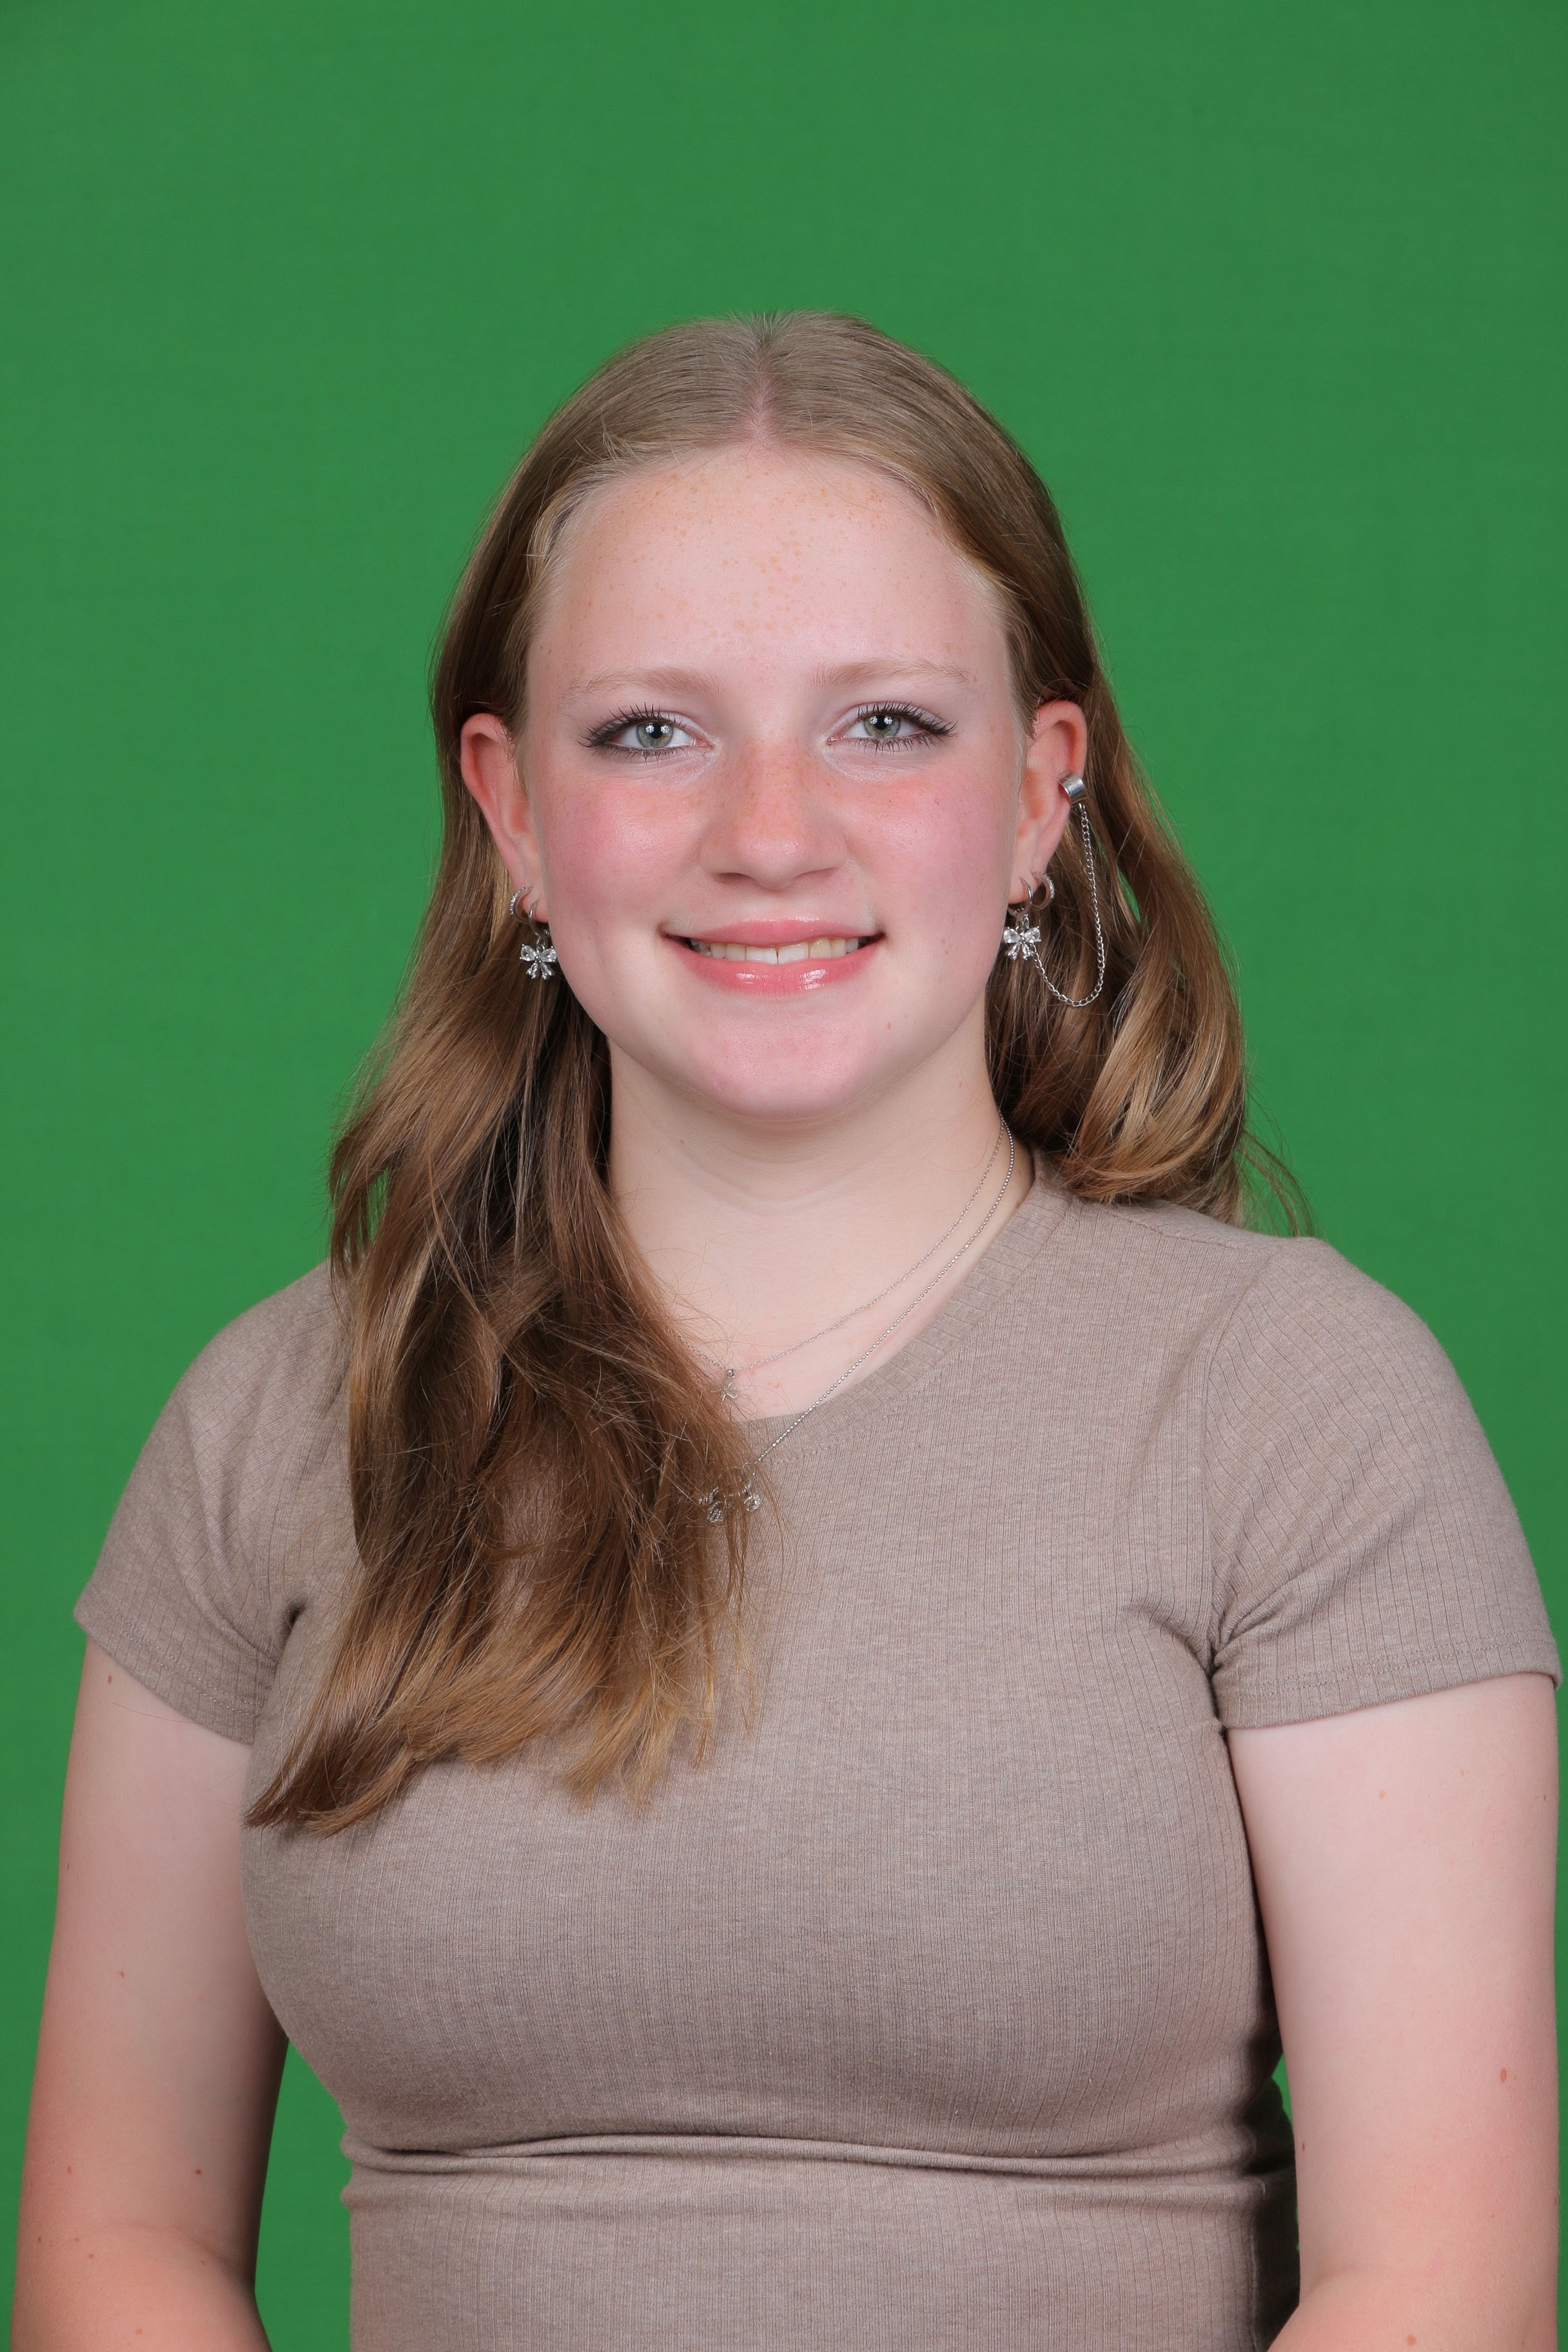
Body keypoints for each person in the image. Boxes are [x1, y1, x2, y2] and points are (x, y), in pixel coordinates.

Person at [14, 313, 1558, 2352]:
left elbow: (1438, 2284)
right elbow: (116, 2242)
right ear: (511, 812)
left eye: (885, 725)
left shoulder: (1298, 1408)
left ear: (1042, 795)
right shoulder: (285, 1416)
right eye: (652, 732)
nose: (768, 830)